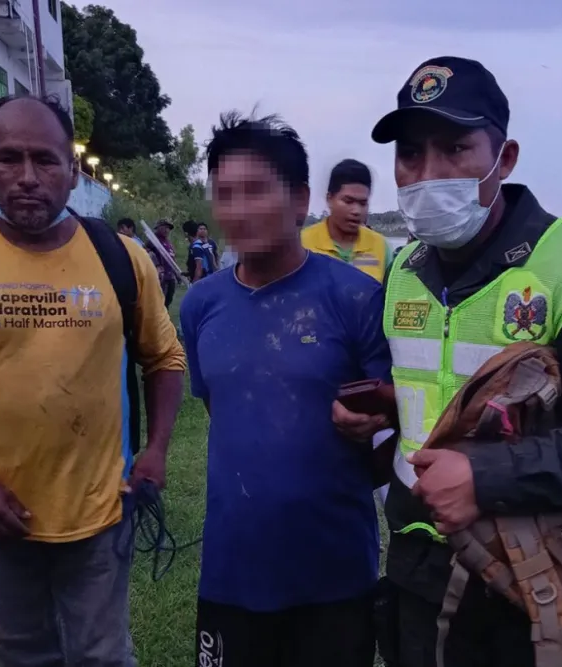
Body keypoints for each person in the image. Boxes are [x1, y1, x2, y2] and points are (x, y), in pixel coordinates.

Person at [332, 56, 562, 667]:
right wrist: (387, 409)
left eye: (455, 149)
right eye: (410, 154)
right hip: (412, 567)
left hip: (526, 583)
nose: (428, 175)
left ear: (504, 158)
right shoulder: (405, 270)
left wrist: (486, 478)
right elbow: (440, 389)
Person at [0, 95, 186, 666]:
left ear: (73, 172)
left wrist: (156, 450)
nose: (27, 177)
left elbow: (164, 359)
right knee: (23, 656)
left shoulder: (121, 258)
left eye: (46, 160)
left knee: (102, 656)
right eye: (9, 158)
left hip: (101, 510)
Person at [180, 111, 393, 667]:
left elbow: (391, 430)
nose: (239, 210)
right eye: (225, 194)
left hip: (334, 574)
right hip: (232, 571)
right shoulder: (202, 306)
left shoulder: (355, 299)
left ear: (299, 200)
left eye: (256, 191)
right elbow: (222, 413)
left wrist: (372, 428)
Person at [301, 159, 393, 281]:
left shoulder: (381, 247)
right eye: (348, 201)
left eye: (363, 203)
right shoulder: (303, 244)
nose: (356, 211)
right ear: (329, 199)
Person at [147, 219, 179, 308]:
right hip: (160, 277)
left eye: (168, 228)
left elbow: (172, 259)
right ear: (158, 228)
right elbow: (147, 254)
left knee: (168, 301)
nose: (167, 230)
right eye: (164, 227)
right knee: (160, 302)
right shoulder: (153, 241)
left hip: (170, 277)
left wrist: (177, 274)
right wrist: (157, 266)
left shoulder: (169, 243)